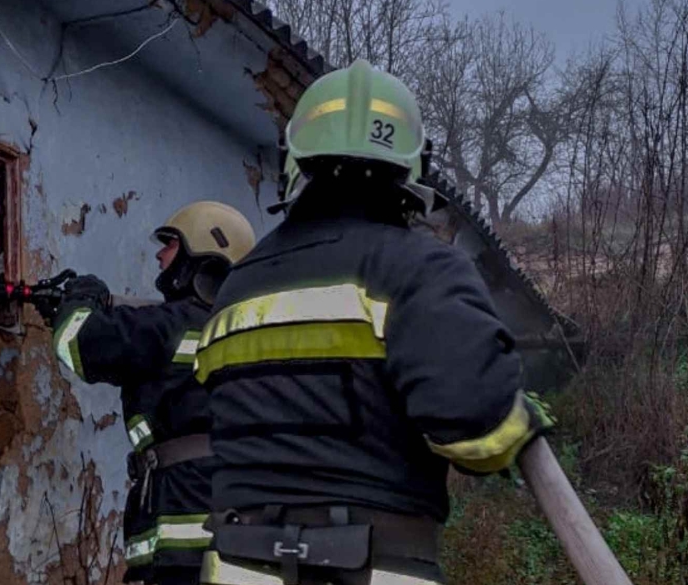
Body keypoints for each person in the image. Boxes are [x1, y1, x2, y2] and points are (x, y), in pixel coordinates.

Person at [193, 59, 555, 585]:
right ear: (410, 166)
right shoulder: (422, 268)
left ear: (296, 160)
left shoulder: (236, 286)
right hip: (371, 567)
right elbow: (481, 432)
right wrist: (521, 415)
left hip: (236, 567)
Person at [46, 201, 257, 585]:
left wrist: (81, 299)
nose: (160, 255)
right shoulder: (251, 337)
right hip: (241, 531)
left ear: (201, 258)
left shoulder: (166, 328)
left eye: (171, 244)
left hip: (182, 536)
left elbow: (78, 343)